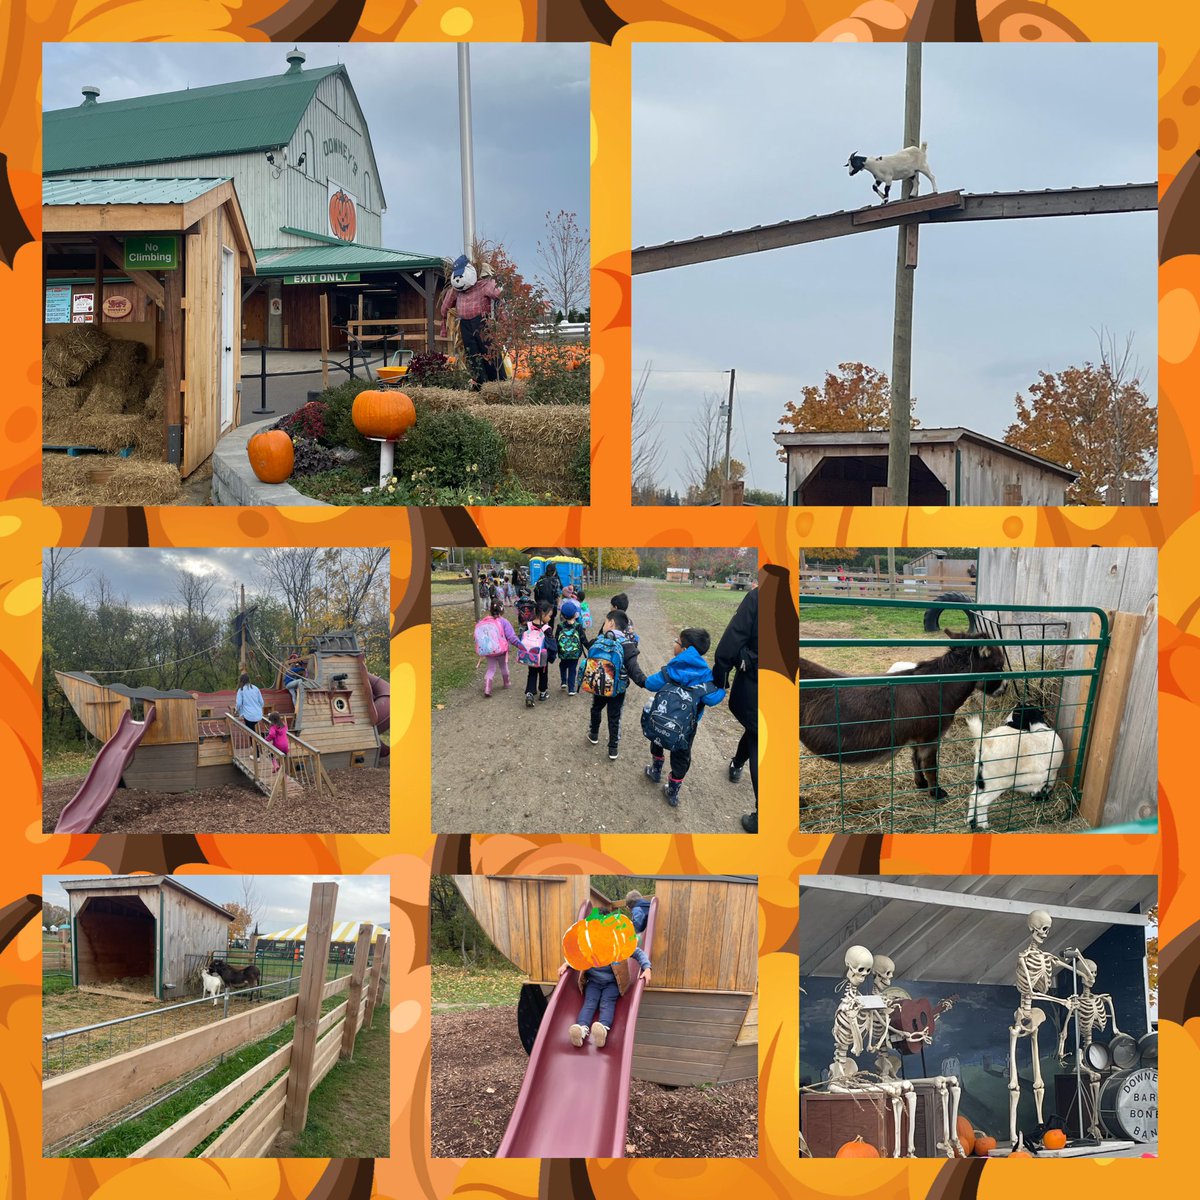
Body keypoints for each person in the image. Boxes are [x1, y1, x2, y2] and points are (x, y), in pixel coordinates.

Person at [641, 628, 726, 807]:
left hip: (661, 720)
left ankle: (655, 771)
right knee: (681, 757)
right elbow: (713, 699)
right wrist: (723, 688)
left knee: (657, 742)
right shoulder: (706, 676)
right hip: (687, 729)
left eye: (677, 641)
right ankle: (672, 791)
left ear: (685, 649)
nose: (674, 643)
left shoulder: (671, 670)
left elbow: (650, 683)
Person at [714, 585, 759, 833]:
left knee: (757, 736)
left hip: (759, 681)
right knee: (756, 730)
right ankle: (737, 763)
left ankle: (765, 813)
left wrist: (721, 671)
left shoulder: (759, 595)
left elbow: (736, 633)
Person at [559, 939, 652, 1049]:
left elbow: (638, 953)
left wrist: (646, 967)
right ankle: (581, 1029)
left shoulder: (619, 947)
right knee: (589, 1003)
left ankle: (603, 1029)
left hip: (612, 983)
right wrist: (566, 965)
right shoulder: (589, 947)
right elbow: (576, 957)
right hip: (593, 982)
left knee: (606, 1002)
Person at [582, 610, 646, 759]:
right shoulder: (627, 645)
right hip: (617, 689)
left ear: (611, 623)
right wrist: (645, 682)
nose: (604, 625)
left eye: (605, 622)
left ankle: (594, 734)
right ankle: (613, 748)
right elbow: (634, 669)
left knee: (596, 708)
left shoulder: (600, 640)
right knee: (614, 716)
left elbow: (590, 648)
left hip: (599, 685)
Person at [439, 255, 502, 389]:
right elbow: (445, 306)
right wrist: (443, 316)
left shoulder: (483, 286)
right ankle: (480, 384)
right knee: (472, 353)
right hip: (465, 324)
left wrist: (493, 283)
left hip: (482, 323)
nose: (458, 281)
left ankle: (498, 382)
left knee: (489, 351)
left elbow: (497, 295)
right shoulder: (456, 291)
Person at [475, 600, 521, 698]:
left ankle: (487, 687)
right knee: (504, 667)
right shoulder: (504, 622)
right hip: (501, 650)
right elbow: (511, 637)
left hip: (489, 650)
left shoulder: (484, 621)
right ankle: (506, 683)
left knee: (491, 669)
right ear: (502, 610)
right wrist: (520, 646)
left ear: (490, 610)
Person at [520, 606, 556, 707]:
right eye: (549, 616)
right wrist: (552, 656)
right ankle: (543, 693)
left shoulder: (528, 625)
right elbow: (551, 644)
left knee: (531, 673)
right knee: (543, 673)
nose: (550, 618)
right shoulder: (546, 629)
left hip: (530, 654)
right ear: (543, 614)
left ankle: (529, 693)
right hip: (542, 656)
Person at [555, 599, 586, 695]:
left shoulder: (560, 626)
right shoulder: (578, 626)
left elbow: (556, 640)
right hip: (575, 653)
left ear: (563, 615)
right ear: (575, 614)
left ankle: (564, 681)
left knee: (562, 665)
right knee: (572, 669)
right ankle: (571, 689)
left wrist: (555, 651)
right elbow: (584, 640)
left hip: (563, 653)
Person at [534, 563, 563, 628]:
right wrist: (558, 605)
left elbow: (536, 592)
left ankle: (539, 635)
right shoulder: (555, 581)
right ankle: (549, 635)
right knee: (550, 622)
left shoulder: (540, 579)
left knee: (540, 621)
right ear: (554, 571)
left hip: (540, 605)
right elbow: (557, 595)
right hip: (551, 606)